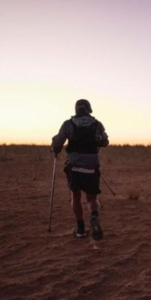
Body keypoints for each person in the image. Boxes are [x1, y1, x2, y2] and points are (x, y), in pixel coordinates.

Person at [51, 99, 109, 240]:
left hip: (74, 166)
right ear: (89, 110)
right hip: (91, 165)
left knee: (75, 196)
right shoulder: (97, 124)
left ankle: (80, 228)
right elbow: (105, 142)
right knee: (92, 198)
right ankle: (94, 217)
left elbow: (57, 143)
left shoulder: (68, 124)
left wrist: (55, 148)